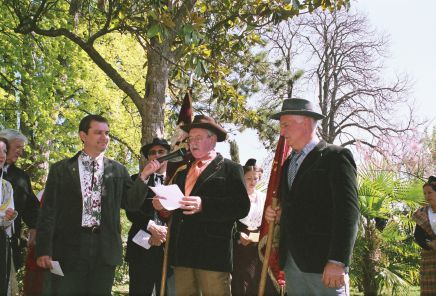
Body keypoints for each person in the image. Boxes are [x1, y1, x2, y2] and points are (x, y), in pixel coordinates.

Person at [35, 114, 159, 295]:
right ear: (83, 136)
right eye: (98, 132)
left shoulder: (118, 170)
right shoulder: (60, 170)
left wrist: (143, 177)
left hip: (105, 250)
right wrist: (43, 250)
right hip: (69, 249)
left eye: (107, 133)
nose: (105, 137)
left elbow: (131, 204)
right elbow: (48, 213)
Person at [265, 98, 359, 296]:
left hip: (324, 267)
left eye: (285, 125)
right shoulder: (288, 164)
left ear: (306, 122)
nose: (282, 132)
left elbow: (348, 214)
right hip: (292, 266)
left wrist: (337, 261)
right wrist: (278, 213)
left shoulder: (336, 157)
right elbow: (298, 206)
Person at [153, 114, 250, 296]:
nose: (192, 143)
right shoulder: (182, 172)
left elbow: (241, 206)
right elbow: (174, 210)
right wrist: (163, 207)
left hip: (213, 256)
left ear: (212, 140)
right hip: (182, 254)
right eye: (190, 139)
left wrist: (204, 204)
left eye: (198, 138)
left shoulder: (231, 168)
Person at [126, 138, 170, 296]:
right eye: (152, 153)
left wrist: (164, 233)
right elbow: (131, 209)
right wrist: (152, 227)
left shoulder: (179, 179)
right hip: (141, 246)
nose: (156, 155)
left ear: (168, 155)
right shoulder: (135, 180)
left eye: (161, 152)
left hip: (169, 250)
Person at [0, 129, 40, 295]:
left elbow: (32, 207)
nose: (20, 152)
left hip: (9, 244)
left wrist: (35, 227)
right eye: (17, 147)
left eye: (22, 148)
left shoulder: (21, 177)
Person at [232, 158, 277, 295]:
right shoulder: (236, 198)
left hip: (258, 249)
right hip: (239, 248)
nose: (252, 182)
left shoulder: (263, 198)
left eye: (255, 179)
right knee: (241, 283)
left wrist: (258, 238)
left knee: (257, 282)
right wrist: (238, 236)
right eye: (248, 178)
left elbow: (267, 224)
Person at [0, 137, 18, 296]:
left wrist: (9, 217)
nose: (1, 155)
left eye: (4, 151)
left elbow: (6, 221)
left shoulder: (6, 186)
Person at [413, 176, 436, 295]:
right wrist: (431, 243)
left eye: (430, 192)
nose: (427, 196)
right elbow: (418, 236)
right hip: (429, 258)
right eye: (425, 193)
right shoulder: (421, 213)